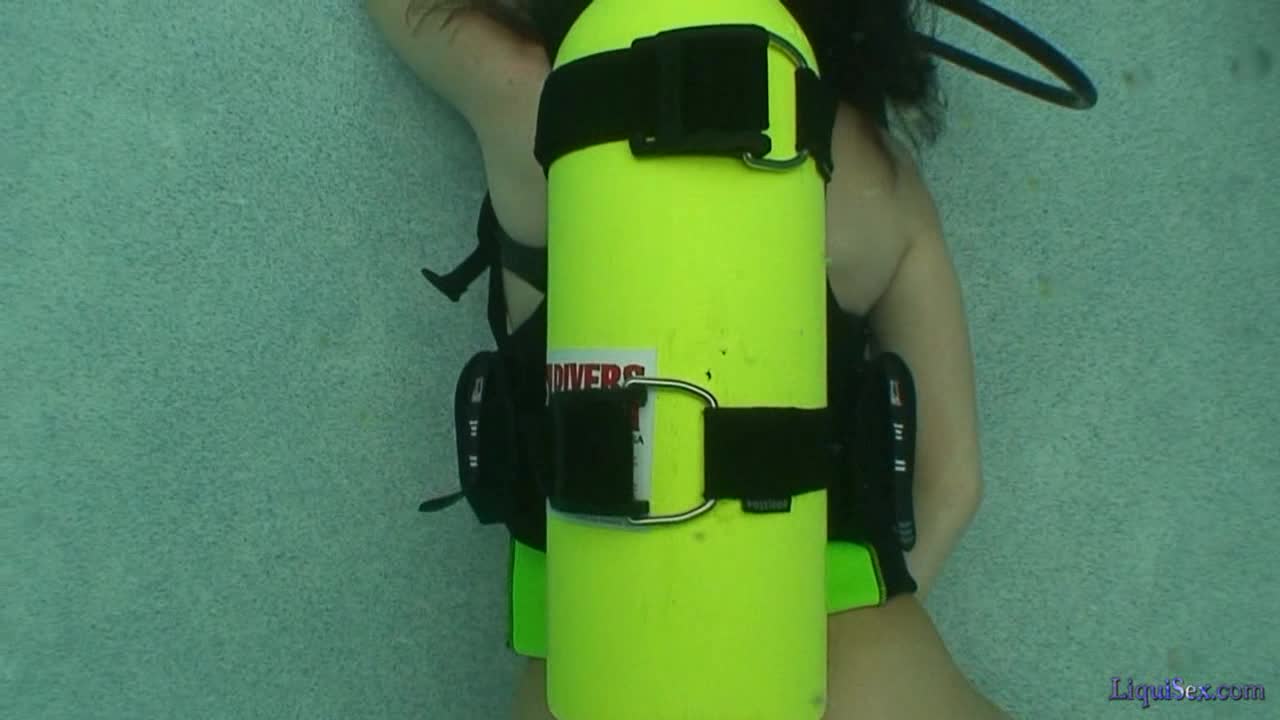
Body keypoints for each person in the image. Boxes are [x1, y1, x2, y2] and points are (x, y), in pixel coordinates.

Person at [367, 1, 1007, 717]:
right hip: (865, 676)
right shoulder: (875, 175)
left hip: (600, 672)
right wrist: (776, 616)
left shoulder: (538, 100)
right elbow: (955, 483)